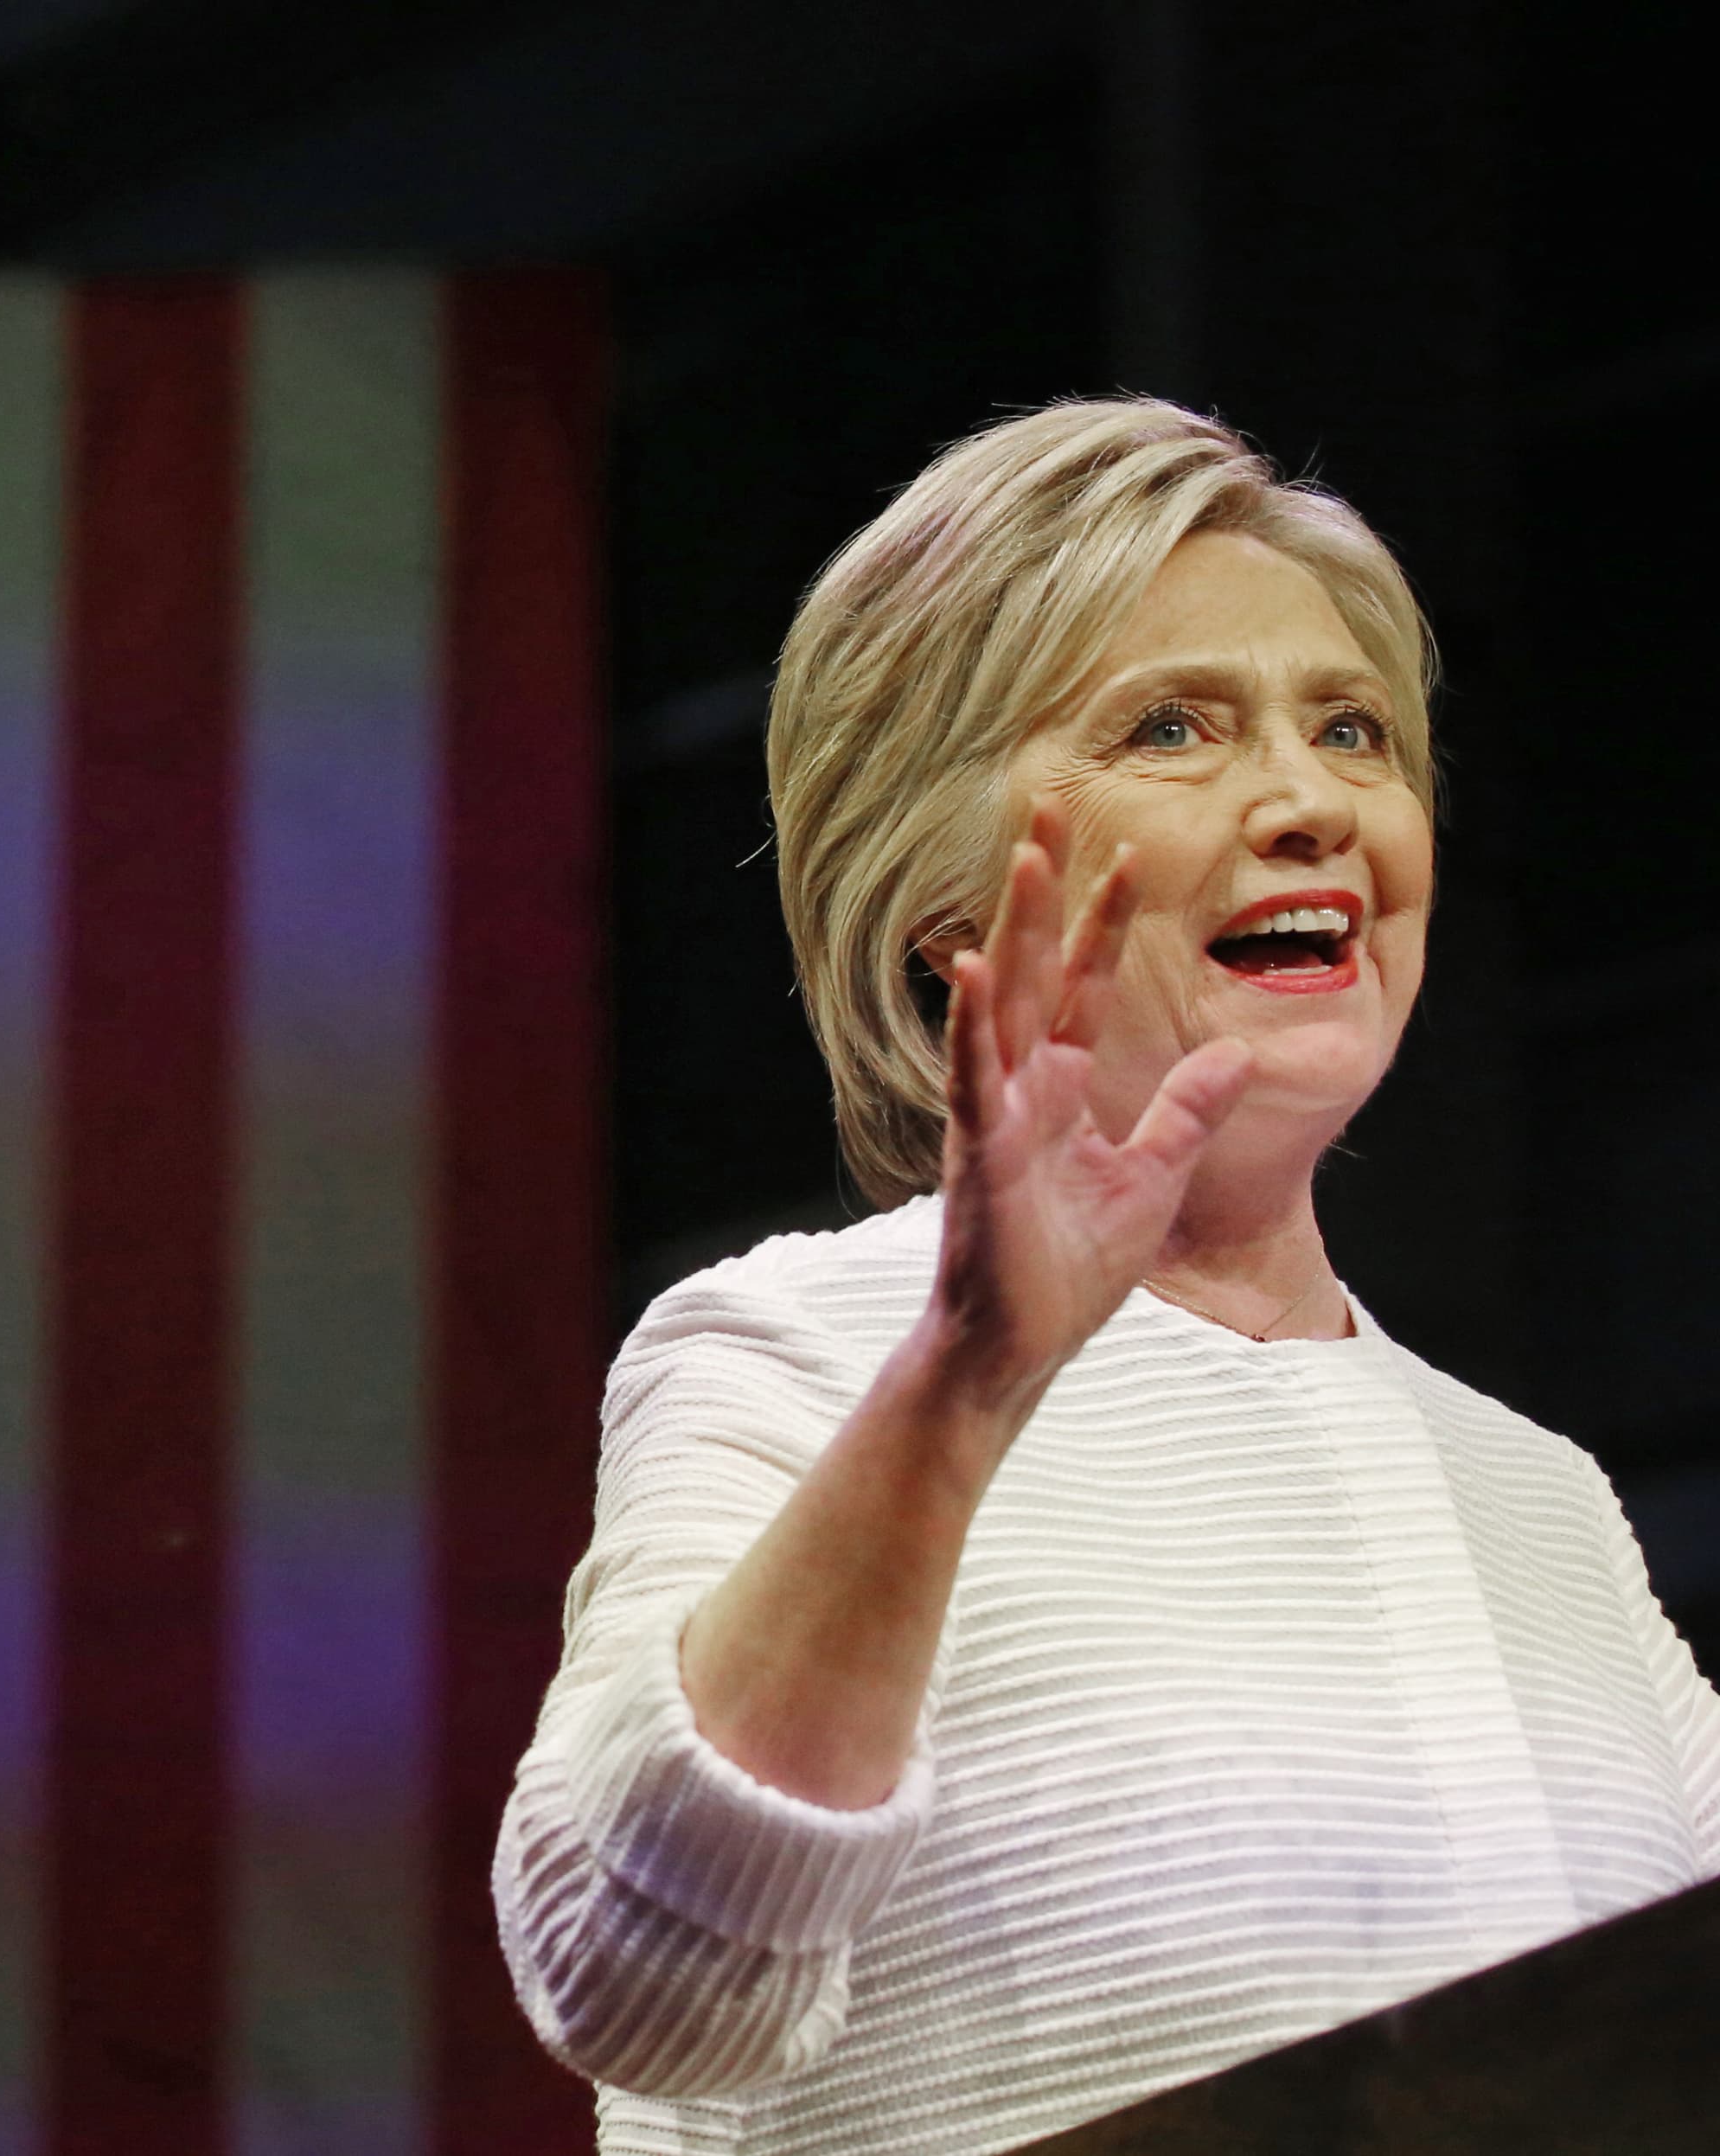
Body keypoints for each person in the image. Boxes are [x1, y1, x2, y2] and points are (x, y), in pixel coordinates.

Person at [495, 397, 1720, 2153]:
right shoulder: (794, 1353)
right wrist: (967, 1384)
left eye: (1354, 729)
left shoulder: (1545, 1501)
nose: (1312, 802)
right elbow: (634, 1981)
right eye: (1172, 728)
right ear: (947, 903)